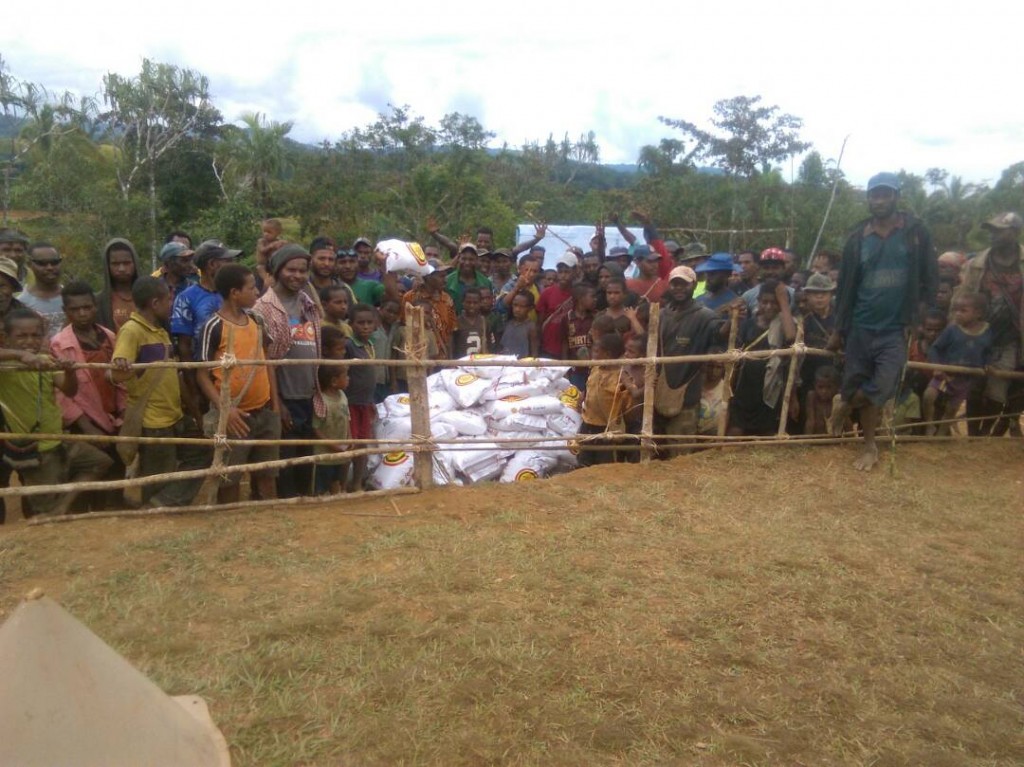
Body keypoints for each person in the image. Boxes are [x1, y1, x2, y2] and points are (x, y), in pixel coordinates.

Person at [829, 171, 937, 470]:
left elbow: (930, 277)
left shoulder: (915, 232)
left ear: (896, 197)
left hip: (895, 327)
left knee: (883, 386)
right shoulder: (857, 238)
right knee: (857, 382)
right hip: (860, 326)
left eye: (885, 194)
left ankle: (852, 413)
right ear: (868, 199)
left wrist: (919, 316)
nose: (879, 200)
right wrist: (839, 329)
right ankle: (866, 439)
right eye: (874, 195)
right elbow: (846, 287)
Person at [0, 308, 112, 518]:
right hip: (36, 448)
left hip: (57, 439)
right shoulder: (6, 365)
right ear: (5, 338)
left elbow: (69, 390)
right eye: (21, 336)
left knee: (99, 462)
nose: (29, 341)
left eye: (35, 335)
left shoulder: (43, 359)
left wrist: (70, 372)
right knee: (43, 508)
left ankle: (62, 507)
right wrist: (20, 355)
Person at [111, 277, 209, 508]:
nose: (171, 305)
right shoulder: (132, 331)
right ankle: (155, 511)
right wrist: (123, 364)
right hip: (153, 420)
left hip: (174, 414)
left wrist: (194, 410)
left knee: (202, 453)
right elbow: (117, 373)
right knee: (158, 475)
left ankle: (163, 504)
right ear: (155, 303)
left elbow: (175, 375)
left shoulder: (161, 332)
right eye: (168, 300)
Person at [195, 263, 281, 503]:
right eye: (252, 287)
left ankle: (267, 516)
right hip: (233, 415)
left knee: (267, 472)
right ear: (235, 293)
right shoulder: (213, 326)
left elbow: (267, 362)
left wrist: (275, 405)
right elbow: (202, 374)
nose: (256, 293)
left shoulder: (257, 320)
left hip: (264, 411)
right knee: (229, 477)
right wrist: (226, 409)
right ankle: (230, 521)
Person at [252, 244, 323, 498]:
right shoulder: (264, 308)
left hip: (307, 393)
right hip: (281, 396)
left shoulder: (308, 303)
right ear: (278, 270)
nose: (297, 276)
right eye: (291, 270)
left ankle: (304, 507)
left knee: (305, 457)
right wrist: (277, 402)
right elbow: (262, 360)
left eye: (303, 271)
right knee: (282, 460)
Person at [50, 283, 126, 502]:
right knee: (92, 474)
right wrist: (87, 427)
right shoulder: (59, 345)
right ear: (66, 312)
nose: (82, 313)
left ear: (95, 307)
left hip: (112, 416)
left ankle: (116, 511)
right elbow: (60, 393)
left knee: (116, 473)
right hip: (83, 422)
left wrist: (123, 413)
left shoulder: (109, 336)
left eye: (87, 307)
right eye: (75, 309)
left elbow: (120, 381)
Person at [954, 212, 1023, 436]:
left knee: (999, 387)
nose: (993, 235)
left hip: (1011, 337)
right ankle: (974, 433)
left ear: (1014, 232)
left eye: (999, 231)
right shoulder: (977, 264)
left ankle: (986, 431)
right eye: (991, 231)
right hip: (977, 334)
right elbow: (962, 297)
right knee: (973, 383)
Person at [655, 265, 727, 454]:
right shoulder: (661, 315)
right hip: (657, 393)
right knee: (656, 453)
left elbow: (719, 334)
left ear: (694, 285)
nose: (679, 289)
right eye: (675, 284)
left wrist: (733, 321)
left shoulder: (705, 316)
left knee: (680, 454)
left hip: (687, 394)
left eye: (684, 284)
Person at [728, 280, 797, 436]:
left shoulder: (784, 325)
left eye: (774, 303)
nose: (769, 306)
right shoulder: (748, 325)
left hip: (770, 388)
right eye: (764, 302)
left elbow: (791, 337)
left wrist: (784, 302)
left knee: (767, 433)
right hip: (744, 387)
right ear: (758, 302)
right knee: (735, 431)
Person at [923, 292, 993, 436]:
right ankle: (929, 425)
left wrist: (987, 364)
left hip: (965, 378)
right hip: (945, 373)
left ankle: (941, 434)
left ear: (978, 313)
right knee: (928, 396)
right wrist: (937, 366)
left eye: (963, 310)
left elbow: (988, 351)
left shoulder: (987, 331)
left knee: (952, 408)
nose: (957, 314)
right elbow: (935, 348)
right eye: (955, 310)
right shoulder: (952, 330)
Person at [578, 332, 631, 466]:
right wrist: (582, 398)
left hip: (606, 427)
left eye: (596, 351)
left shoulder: (619, 377)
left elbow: (627, 403)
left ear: (607, 354)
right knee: (584, 458)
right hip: (588, 422)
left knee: (605, 463)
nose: (593, 354)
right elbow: (589, 386)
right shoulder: (595, 368)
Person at [344, 304, 379, 492]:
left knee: (363, 443)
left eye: (369, 323)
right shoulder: (349, 346)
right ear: (351, 324)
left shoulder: (369, 345)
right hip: (350, 402)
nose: (365, 327)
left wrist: (371, 399)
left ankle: (357, 483)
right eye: (360, 323)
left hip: (365, 402)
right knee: (349, 444)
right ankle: (341, 485)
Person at [313, 364, 351, 495]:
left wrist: (349, 438)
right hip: (325, 453)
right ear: (334, 381)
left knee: (336, 479)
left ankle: (336, 500)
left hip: (341, 449)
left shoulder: (343, 396)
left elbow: (347, 418)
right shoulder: (321, 401)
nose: (348, 378)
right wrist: (332, 444)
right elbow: (316, 428)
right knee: (322, 483)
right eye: (345, 376)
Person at [16, 242, 66, 339]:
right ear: (30, 265)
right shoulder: (21, 302)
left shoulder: (73, 298)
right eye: (42, 263)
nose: (49, 267)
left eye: (54, 262)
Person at [537, 251, 578, 357]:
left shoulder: (579, 294)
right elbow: (539, 322)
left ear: (575, 271)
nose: (563, 275)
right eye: (560, 272)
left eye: (567, 272)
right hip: (548, 348)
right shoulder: (547, 293)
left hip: (571, 349)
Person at [95, 238, 141, 332]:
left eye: (126, 263)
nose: (121, 269)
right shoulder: (99, 302)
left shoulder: (149, 296)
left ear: (135, 263)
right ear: (107, 266)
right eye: (115, 264)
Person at [562, 283, 597, 391]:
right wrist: (565, 369)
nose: (595, 300)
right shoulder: (567, 318)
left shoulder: (595, 317)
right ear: (581, 299)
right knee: (575, 398)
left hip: (593, 369)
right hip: (575, 370)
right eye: (592, 296)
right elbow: (564, 344)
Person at [740, 248, 793, 314]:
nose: (770, 272)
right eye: (766, 268)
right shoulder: (748, 296)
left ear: (783, 269)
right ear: (760, 269)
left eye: (775, 268)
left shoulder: (793, 294)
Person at [445, 244, 491, 315]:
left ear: (476, 260)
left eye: (471, 259)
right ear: (459, 259)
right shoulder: (448, 281)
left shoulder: (486, 282)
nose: (467, 263)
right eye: (464, 259)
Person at [802, 366, 842, 436]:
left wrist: (851, 441)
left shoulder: (837, 397)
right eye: (820, 387)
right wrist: (807, 440)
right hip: (817, 438)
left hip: (835, 438)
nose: (824, 391)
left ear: (837, 387)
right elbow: (810, 421)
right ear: (815, 385)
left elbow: (846, 421)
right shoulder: (812, 397)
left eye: (829, 387)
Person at [499, 292, 538, 357]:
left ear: (530, 308)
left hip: (522, 365)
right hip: (505, 362)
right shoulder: (508, 323)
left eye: (522, 306)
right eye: (515, 305)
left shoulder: (531, 327)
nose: (517, 309)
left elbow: (534, 353)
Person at [452, 287, 487, 358]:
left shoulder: (483, 321)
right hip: (461, 363)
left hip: (480, 363)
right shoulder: (457, 322)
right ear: (463, 302)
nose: (472, 305)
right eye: (468, 302)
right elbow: (452, 345)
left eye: (475, 303)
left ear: (480, 303)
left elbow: (488, 342)